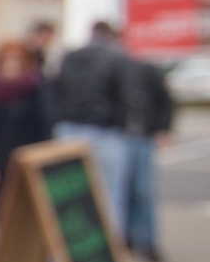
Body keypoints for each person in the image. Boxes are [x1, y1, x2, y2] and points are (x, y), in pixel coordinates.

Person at [52, 20, 144, 226]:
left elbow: (57, 91)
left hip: (68, 128)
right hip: (105, 131)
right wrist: (123, 125)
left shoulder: (70, 57)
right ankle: (110, 250)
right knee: (111, 195)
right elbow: (127, 96)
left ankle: (67, 248)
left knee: (69, 195)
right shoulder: (116, 57)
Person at [0, 41, 55, 217]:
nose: (12, 65)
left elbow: (45, 128)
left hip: (26, 166)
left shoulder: (36, 91)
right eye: (7, 60)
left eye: (17, 60)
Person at [124, 57, 174, 262]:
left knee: (142, 191)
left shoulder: (146, 69)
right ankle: (127, 239)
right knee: (122, 191)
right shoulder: (115, 67)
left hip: (142, 136)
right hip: (120, 137)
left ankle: (148, 242)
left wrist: (164, 129)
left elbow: (164, 100)